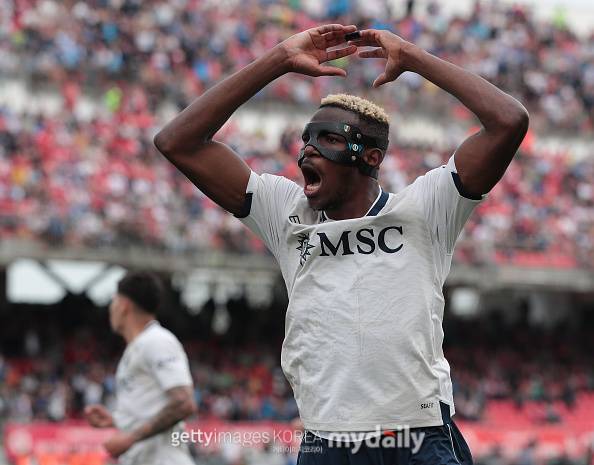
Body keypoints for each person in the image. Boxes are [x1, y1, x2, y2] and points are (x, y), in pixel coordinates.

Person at [154, 24, 528, 464]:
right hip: (325, 440)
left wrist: (413, 57)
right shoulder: (286, 212)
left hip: (414, 435)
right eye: (306, 141)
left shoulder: (424, 209)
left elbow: (509, 121)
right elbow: (177, 142)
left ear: (371, 157)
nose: (308, 151)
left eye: (329, 139)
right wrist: (278, 60)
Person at [84, 272, 196, 465]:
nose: (111, 308)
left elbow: (184, 403)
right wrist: (118, 420)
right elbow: (151, 406)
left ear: (124, 305)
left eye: (113, 301)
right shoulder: (136, 348)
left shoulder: (157, 341)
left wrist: (131, 437)